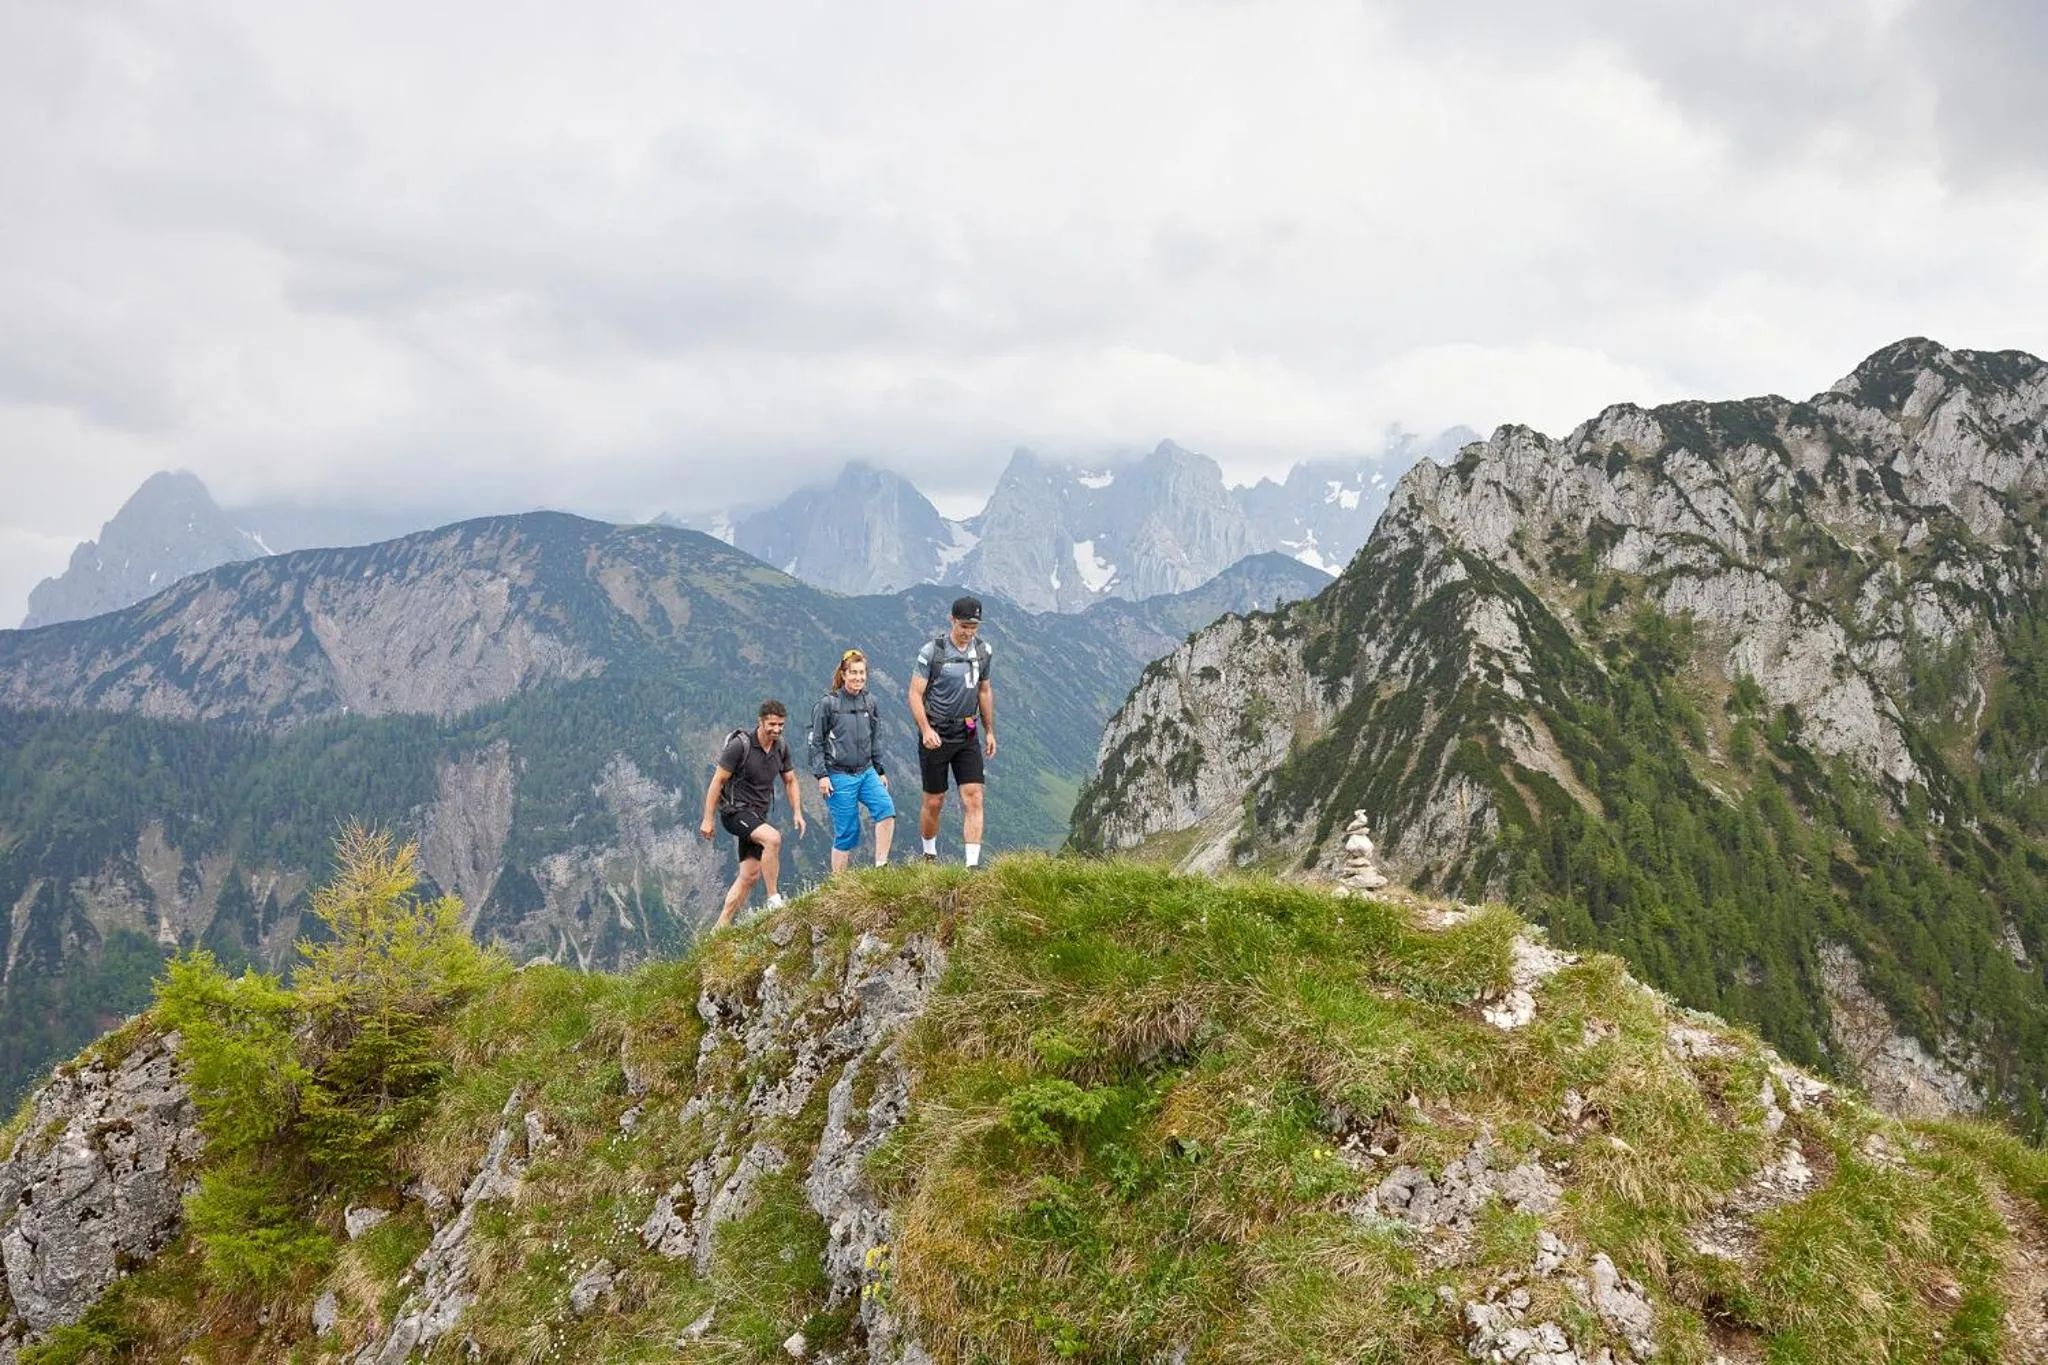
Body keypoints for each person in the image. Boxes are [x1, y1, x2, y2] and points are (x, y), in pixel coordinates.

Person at [698, 700, 806, 927]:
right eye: (772, 724)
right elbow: (717, 781)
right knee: (773, 838)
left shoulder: (781, 747)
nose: (776, 730)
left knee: (749, 875)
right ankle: (774, 899)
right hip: (734, 812)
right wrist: (708, 819)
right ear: (761, 722)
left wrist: (797, 812)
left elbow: (791, 780)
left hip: (757, 816)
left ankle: (720, 928)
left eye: (781, 725)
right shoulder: (740, 745)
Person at [908, 595, 995, 866]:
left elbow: (984, 690)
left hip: (967, 732)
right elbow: (914, 693)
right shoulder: (932, 652)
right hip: (937, 733)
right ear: (952, 620)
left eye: (974, 626)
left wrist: (989, 731)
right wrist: (925, 730)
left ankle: (971, 865)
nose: (969, 632)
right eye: (965, 626)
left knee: (974, 796)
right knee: (934, 801)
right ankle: (929, 853)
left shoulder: (983, 652)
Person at [809, 649, 896, 872]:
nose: (858, 677)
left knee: (886, 810)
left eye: (862, 672)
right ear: (844, 674)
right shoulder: (828, 704)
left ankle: (881, 867)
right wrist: (821, 775)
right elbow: (816, 741)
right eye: (853, 672)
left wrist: (880, 769)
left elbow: (875, 737)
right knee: (847, 832)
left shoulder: (870, 702)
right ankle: (839, 886)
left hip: (866, 772)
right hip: (838, 776)